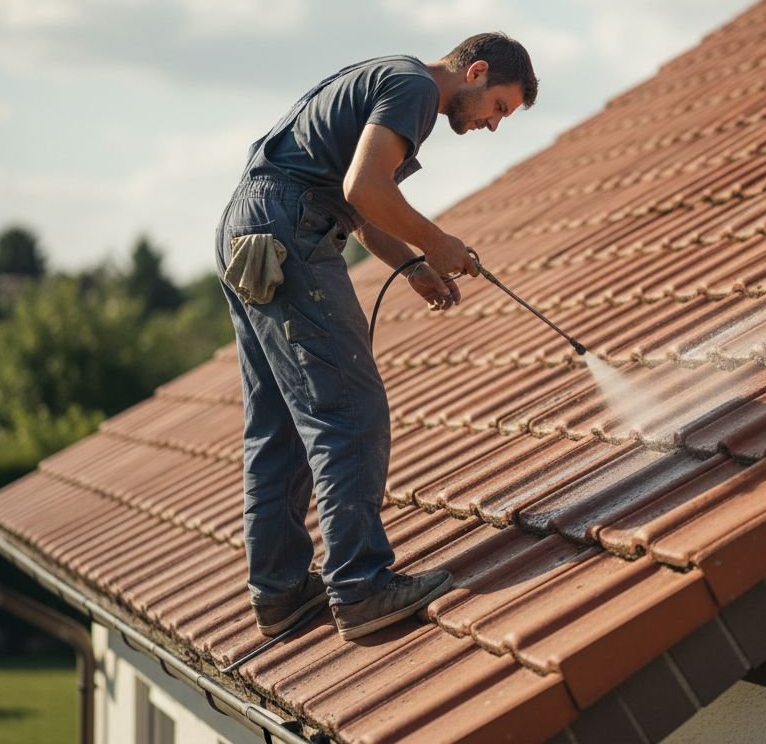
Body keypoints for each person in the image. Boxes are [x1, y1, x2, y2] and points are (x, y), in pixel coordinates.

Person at [213, 33, 537, 641]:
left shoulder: (389, 76)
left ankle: (280, 593)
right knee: (350, 409)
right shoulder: (414, 87)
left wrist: (413, 266)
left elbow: (355, 206)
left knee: (279, 420)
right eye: (499, 108)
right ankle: (361, 588)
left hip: (249, 225)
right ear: (476, 71)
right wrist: (438, 244)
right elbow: (367, 189)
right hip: (286, 226)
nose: (494, 125)